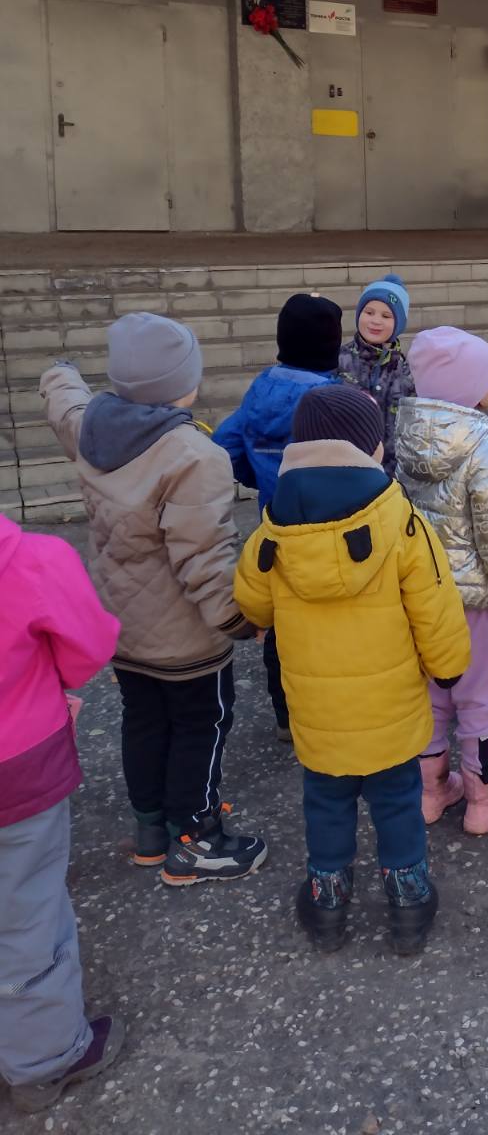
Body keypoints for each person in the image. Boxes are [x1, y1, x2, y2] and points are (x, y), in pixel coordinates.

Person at [233, 387, 471, 955]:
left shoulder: (274, 528)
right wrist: (448, 668)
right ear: (373, 448)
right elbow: (435, 605)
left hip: (317, 711)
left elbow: (251, 603)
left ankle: (328, 902)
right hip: (390, 707)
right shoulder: (402, 522)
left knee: (326, 801)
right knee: (397, 800)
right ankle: (408, 902)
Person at [40, 314, 266, 887]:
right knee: (200, 725)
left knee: (143, 720)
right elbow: (204, 557)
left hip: (123, 624)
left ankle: (151, 830)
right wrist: (239, 620)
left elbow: (66, 405)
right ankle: (195, 838)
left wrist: (59, 372)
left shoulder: (92, 428)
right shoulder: (194, 456)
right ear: (182, 384)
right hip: (185, 636)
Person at [0, 513, 124, 1113]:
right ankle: (43, 1058)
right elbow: (88, 648)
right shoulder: (31, 560)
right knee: (27, 910)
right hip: (17, 768)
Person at [393, 328, 488, 835]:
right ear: (473, 389)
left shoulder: (405, 437)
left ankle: (431, 790)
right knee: (476, 696)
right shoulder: (483, 448)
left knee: (430, 693)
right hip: (471, 600)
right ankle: (482, 793)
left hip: (420, 594)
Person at [213, 291, 343, 741]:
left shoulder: (260, 389)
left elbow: (224, 448)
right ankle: (328, 709)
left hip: (276, 524)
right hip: (328, 529)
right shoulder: (330, 399)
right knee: (330, 621)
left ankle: (286, 713)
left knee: (281, 621)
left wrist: (258, 474)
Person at [338, 274, 414, 477]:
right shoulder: (339, 360)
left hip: (391, 473)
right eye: (369, 312)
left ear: (399, 324)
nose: (375, 321)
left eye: (386, 316)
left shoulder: (406, 370)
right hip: (346, 469)